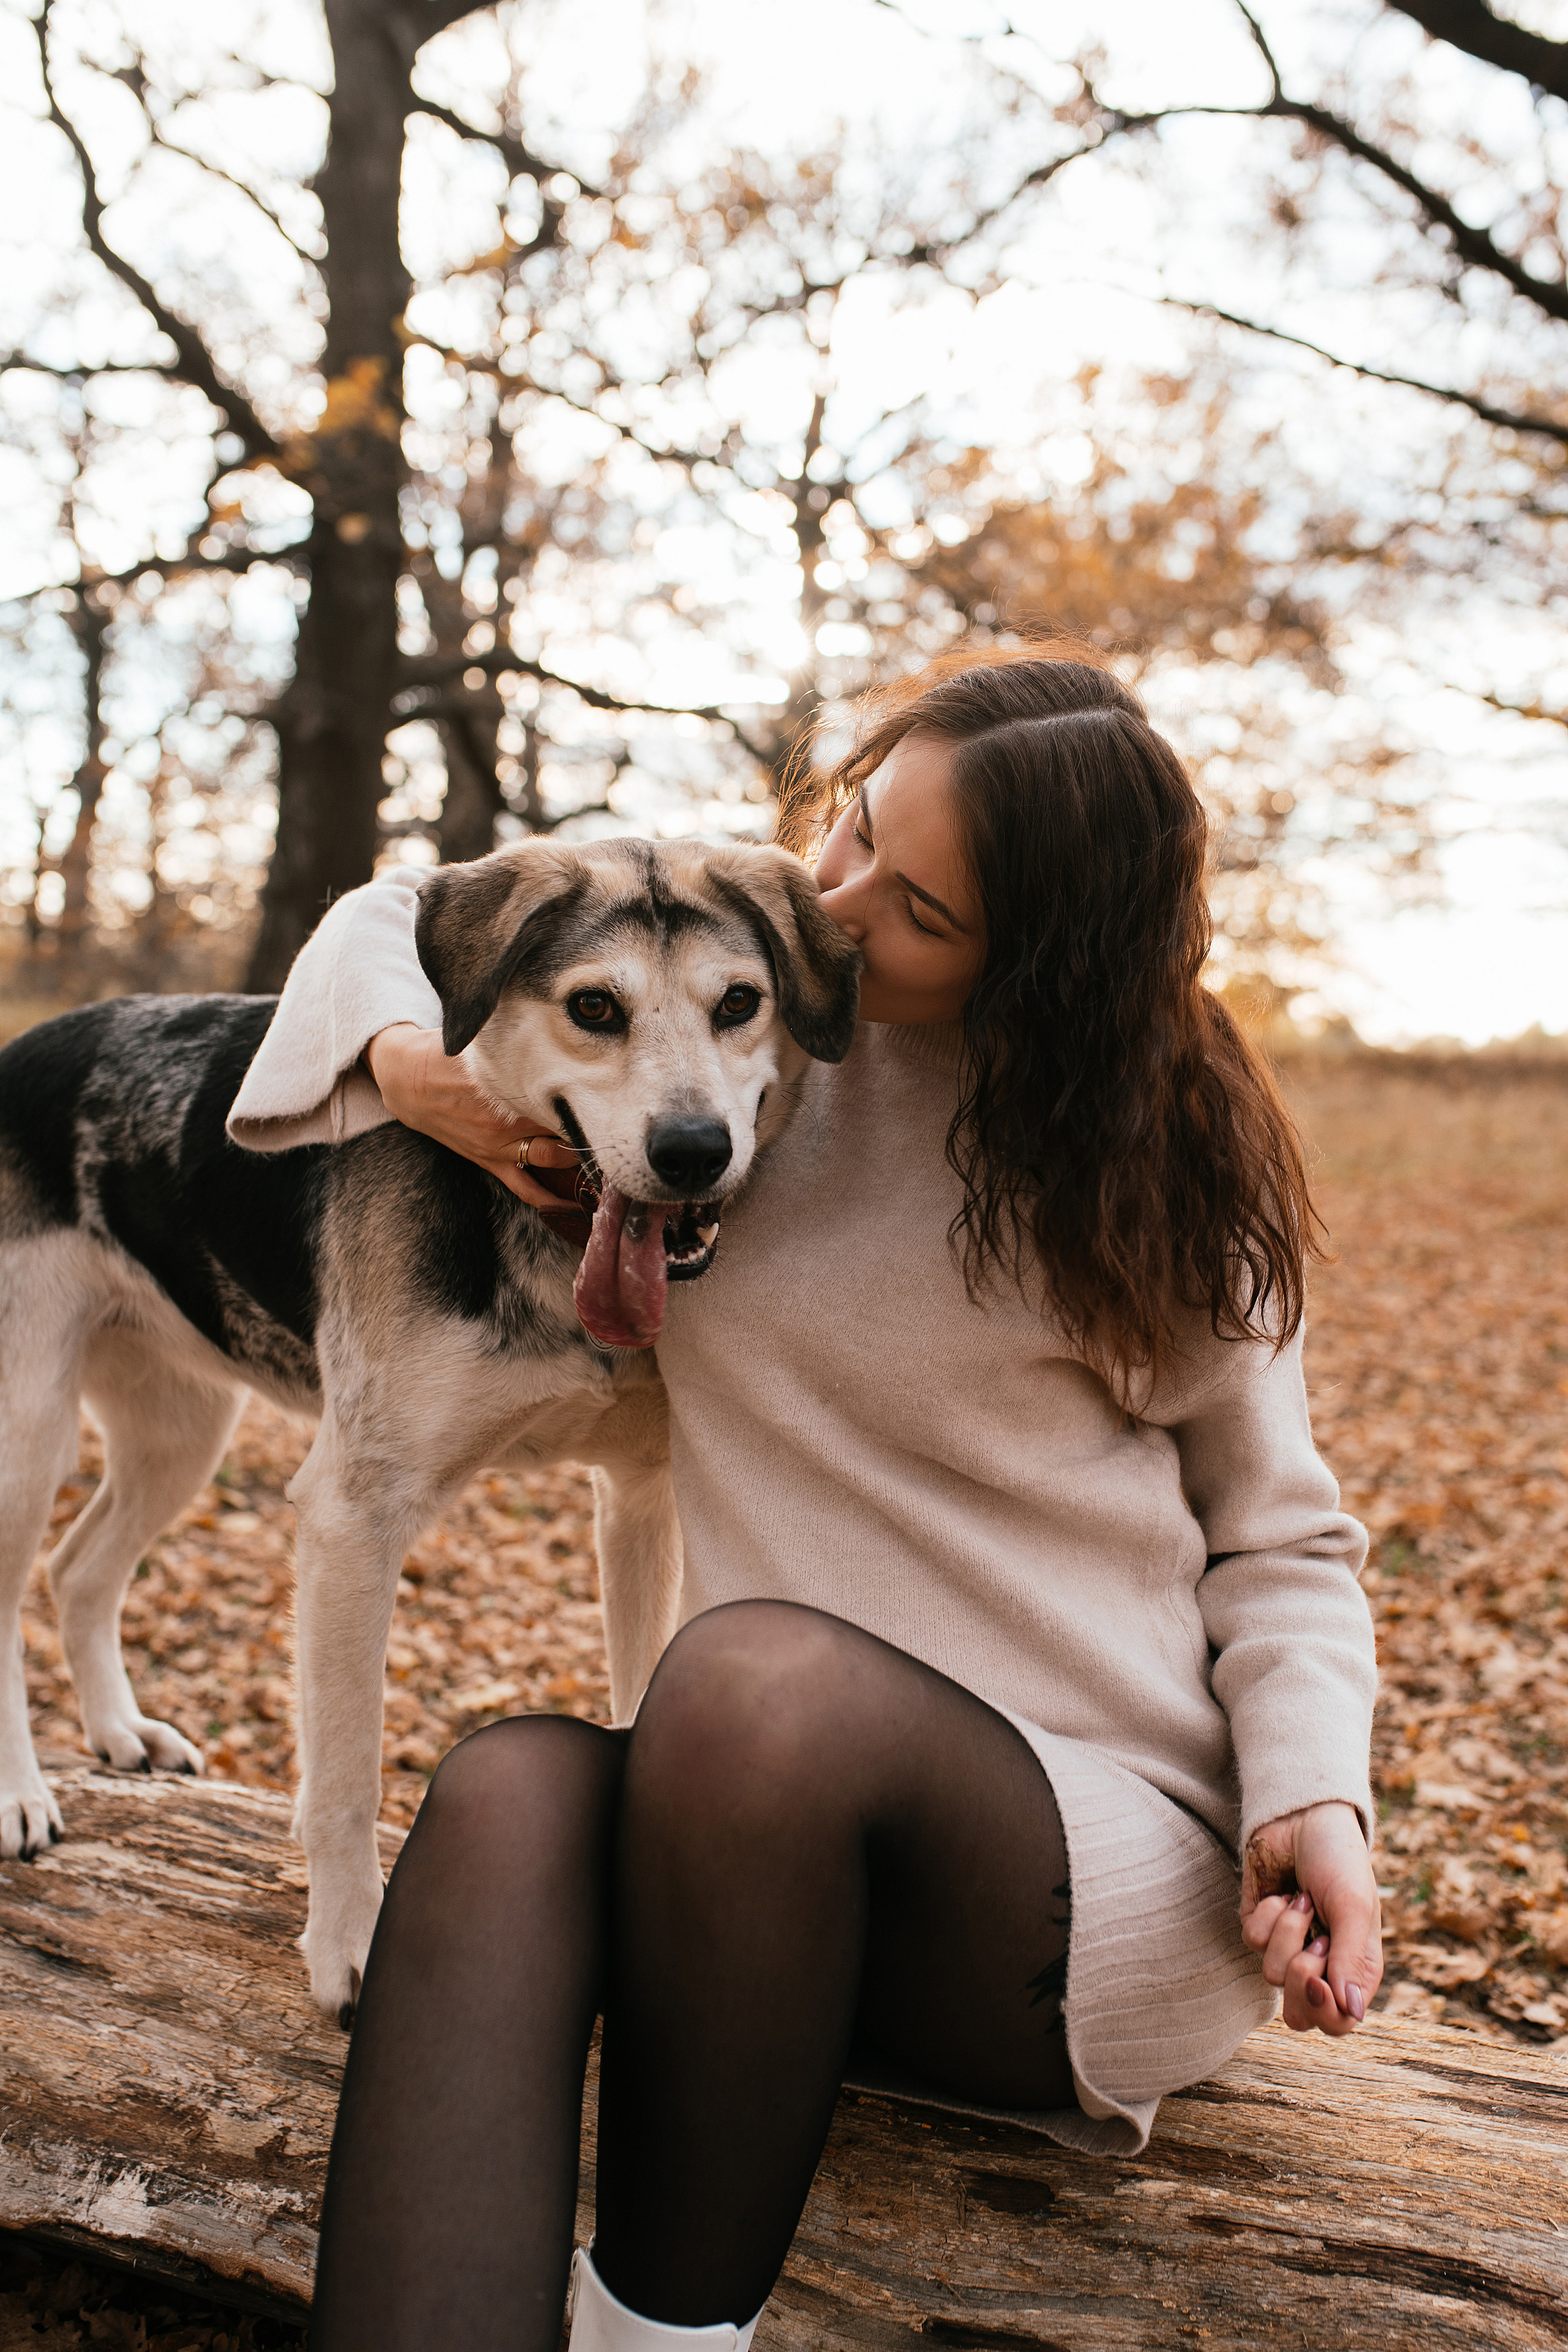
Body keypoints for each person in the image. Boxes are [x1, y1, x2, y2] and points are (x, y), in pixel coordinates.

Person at [229, 649, 1381, 2352]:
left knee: (756, 1680)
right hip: (760, 1859)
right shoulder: (739, 1023)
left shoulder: (1154, 1154)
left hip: (1081, 1870)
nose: (833, 907)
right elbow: (392, 909)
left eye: (910, 904)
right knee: (509, 1793)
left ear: (1038, 962)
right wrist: (413, 1070)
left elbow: (1284, 1541)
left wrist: (1316, 1796)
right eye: (852, 830)